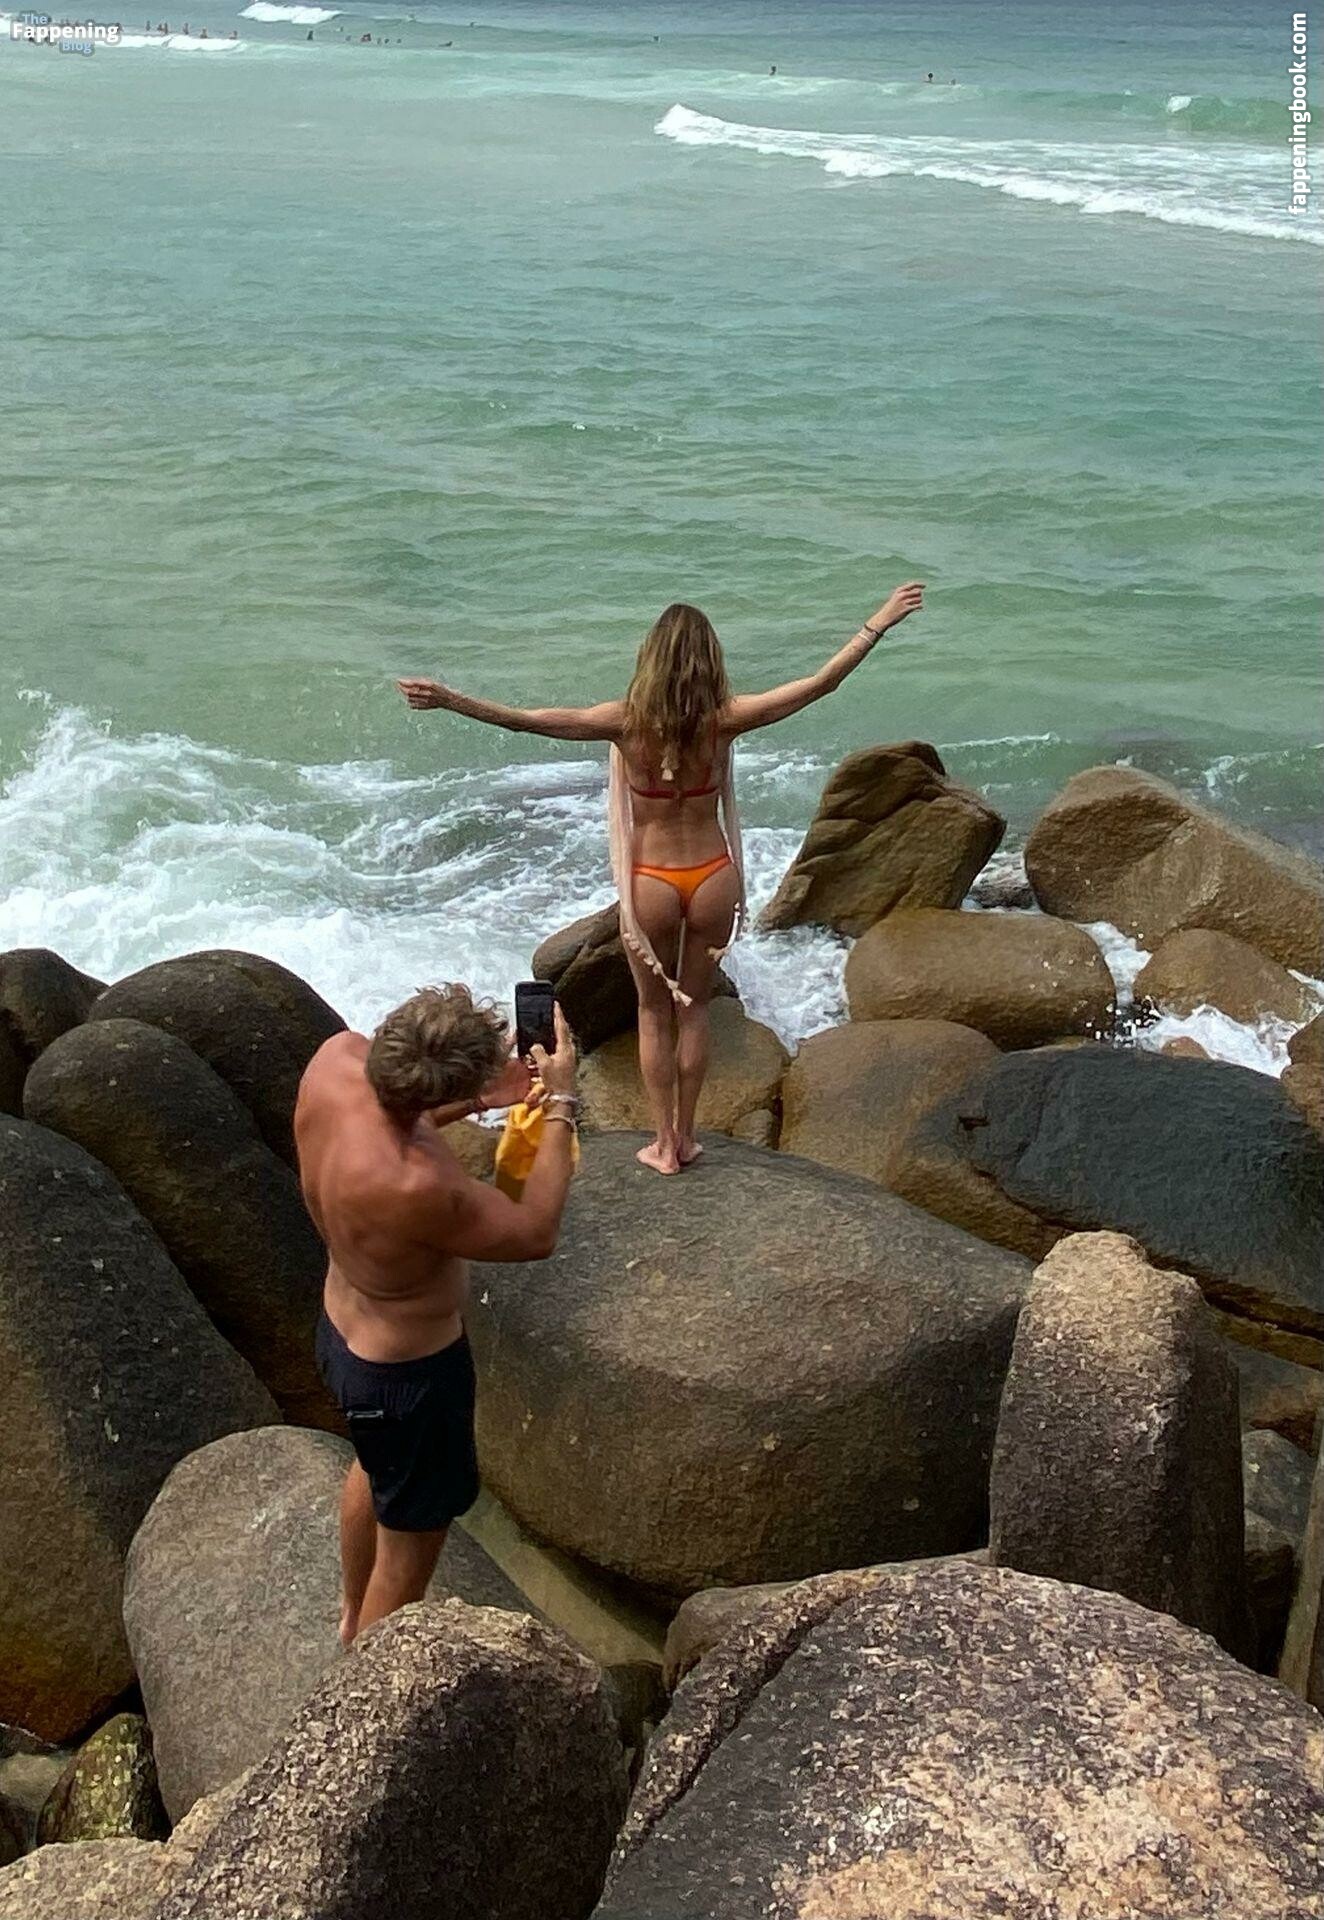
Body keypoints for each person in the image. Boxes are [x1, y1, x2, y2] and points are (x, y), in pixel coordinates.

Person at [397, 583, 925, 1174]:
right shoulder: (726, 720)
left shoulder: (623, 723)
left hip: (651, 880)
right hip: (712, 877)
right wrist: (877, 623)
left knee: (652, 1013)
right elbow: (822, 683)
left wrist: (450, 699)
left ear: (648, 658)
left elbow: (528, 723)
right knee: (693, 1010)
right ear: (710, 660)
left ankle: (662, 1143)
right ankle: (689, 1138)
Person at [295, 984, 580, 1644]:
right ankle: (366, 1675)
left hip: (342, 1332)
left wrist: (480, 1100)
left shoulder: (333, 1061)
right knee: (406, 1555)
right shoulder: (417, 1183)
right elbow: (534, 1231)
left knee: (376, 1467)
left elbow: (395, 1109)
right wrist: (562, 1104)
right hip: (406, 1380)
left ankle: (350, 1617)